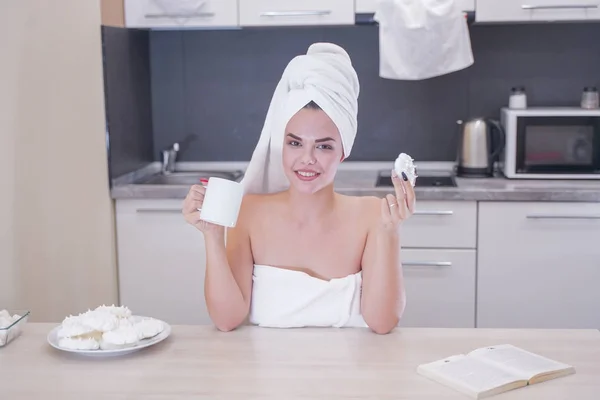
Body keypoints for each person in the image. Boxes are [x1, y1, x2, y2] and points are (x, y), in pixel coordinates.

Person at [182, 43, 416, 334]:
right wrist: (213, 235)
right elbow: (226, 320)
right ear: (281, 144)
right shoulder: (249, 212)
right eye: (295, 143)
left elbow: (383, 323)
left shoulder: (373, 215)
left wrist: (390, 232)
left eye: (324, 146)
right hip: (265, 375)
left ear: (343, 151)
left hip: (351, 374)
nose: (307, 159)